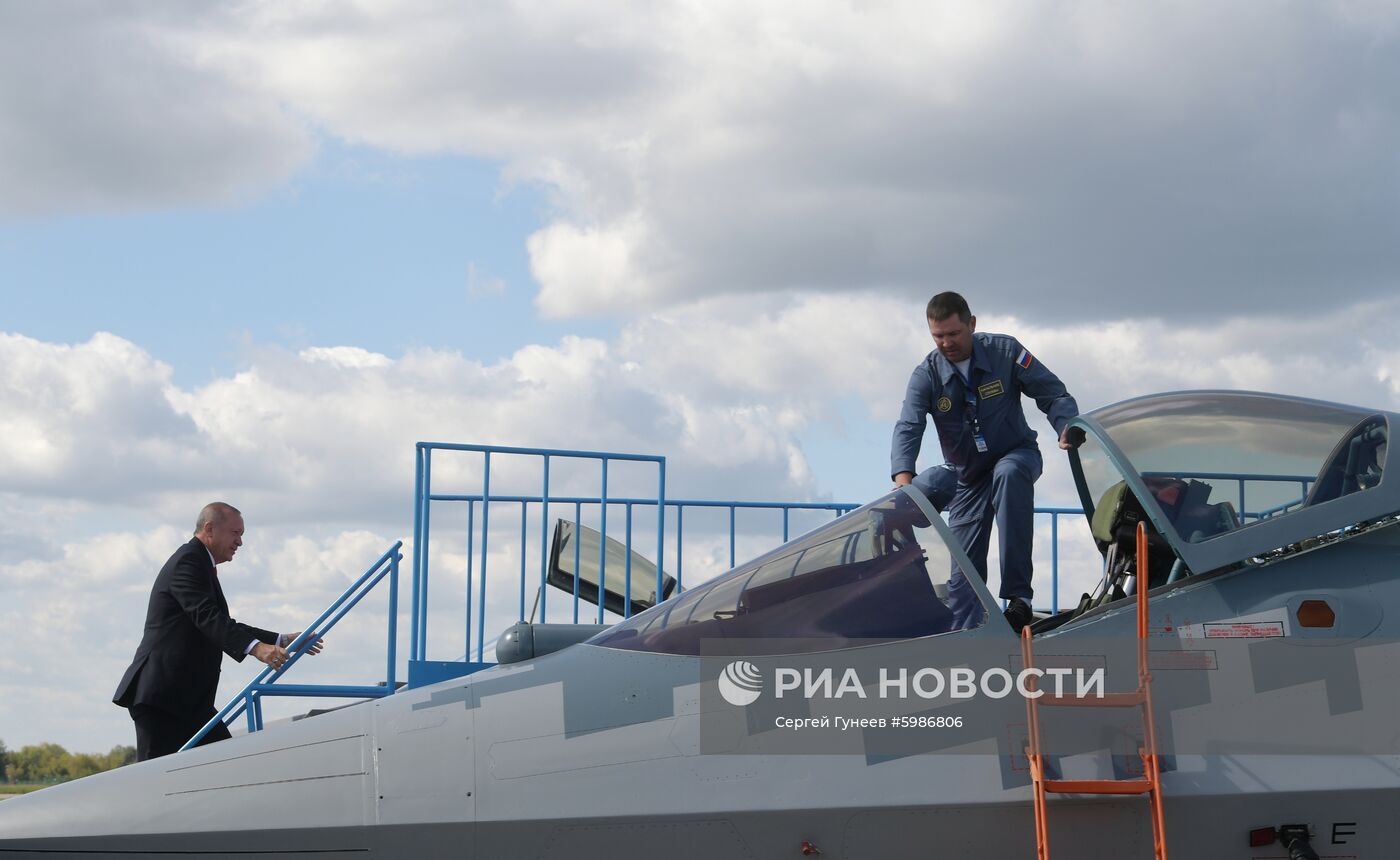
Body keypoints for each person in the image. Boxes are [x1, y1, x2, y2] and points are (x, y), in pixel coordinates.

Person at [891, 292, 1080, 632]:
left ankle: (1019, 600)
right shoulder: (926, 375)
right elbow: (909, 425)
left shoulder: (1006, 352)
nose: (946, 343)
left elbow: (1052, 393)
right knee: (964, 578)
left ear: (972, 324)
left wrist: (1066, 425)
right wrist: (903, 486)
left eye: (954, 333)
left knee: (1008, 474)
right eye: (938, 336)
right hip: (968, 476)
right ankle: (970, 635)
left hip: (1016, 454)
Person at [112, 502, 322, 761]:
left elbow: (220, 621)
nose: (240, 542)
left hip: (188, 703)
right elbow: (207, 616)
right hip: (163, 699)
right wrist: (257, 648)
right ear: (210, 529)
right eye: (236, 533)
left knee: (228, 767)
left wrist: (281, 639)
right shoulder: (188, 561)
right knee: (157, 780)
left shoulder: (200, 562)